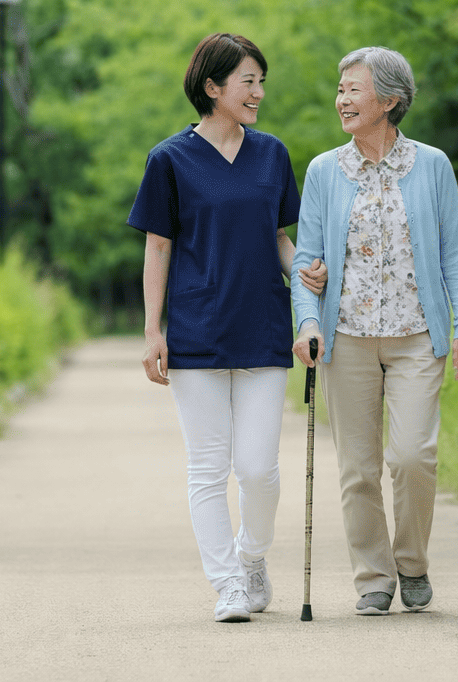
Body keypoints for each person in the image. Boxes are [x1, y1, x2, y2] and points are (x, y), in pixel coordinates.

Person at [128, 32, 326, 623]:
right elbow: (157, 248)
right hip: (198, 330)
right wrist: (153, 331)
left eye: (261, 81)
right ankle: (228, 584)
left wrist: (304, 273)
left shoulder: (272, 154)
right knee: (208, 469)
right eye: (248, 81)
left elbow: (279, 237)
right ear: (212, 87)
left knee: (259, 470)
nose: (259, 92)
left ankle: (252, 557)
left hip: (263, 327)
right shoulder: (169, 159)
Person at [291, 46, 458, 616]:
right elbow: (306, 262)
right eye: (340, 89)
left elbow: (454, 253)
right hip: (346, 338)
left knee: (413, 456)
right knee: (358, 469)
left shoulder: (432, 166)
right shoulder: (324, 171)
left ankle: (412, 561)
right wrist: (308, 320)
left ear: (390, 101)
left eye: (354, 89)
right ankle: (373, 576)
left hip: (417, 335)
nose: (342, 99)